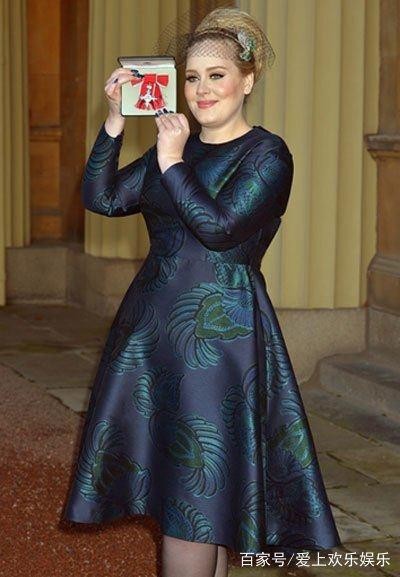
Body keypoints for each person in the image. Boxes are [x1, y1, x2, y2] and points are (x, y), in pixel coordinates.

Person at [62, 8, 341, 577]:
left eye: (217, 75)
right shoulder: (176, 148)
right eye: (191, 77)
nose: (201, 89)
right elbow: (102, 197)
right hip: (150, 336)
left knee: (197, 499)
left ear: (248, 80)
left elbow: (219, 228)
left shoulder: (267, 155)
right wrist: (114, 123)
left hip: (218, 342)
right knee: (185, 497)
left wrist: (171, 162)